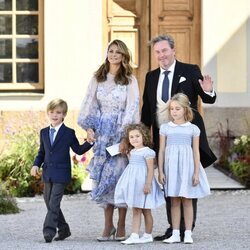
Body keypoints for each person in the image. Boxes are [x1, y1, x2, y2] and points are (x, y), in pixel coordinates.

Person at [141, 34, 217, 240]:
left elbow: (207, 98)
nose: (161, 55)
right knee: (168, 180)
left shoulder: (190, 70)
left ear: (173, 50)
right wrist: (144, 136)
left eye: (164, 50)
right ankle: (173, 228)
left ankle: (187, 228)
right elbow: (147, 110)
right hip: (163, 137)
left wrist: (209, 91)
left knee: (189, 179)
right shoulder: (151, 76)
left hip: (187, 137)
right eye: (157, 52)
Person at [77, 39, 140, 241]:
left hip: (120, 134)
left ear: (124, 56)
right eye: (111, 51)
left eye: (118, 52)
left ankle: (121, 225)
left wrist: (126, 139)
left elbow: (133, 108)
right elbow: (89, 104)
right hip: (103, 136)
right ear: (107, 54)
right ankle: (107, 225)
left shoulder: (130, 79)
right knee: (104, 178)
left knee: (119, 177)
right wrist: (89, 127)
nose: (113, 55)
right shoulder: (98, 78)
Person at [30, 98, 94, 243]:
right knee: (48, 201)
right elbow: (42, 152)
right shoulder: (44, 132)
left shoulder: (68, 132)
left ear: (63, 114)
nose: (54, 115)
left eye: (58, 112)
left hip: (61, 173)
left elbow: (78, 150)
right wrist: (36, 165)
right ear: (48, 113)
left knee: (54, 203)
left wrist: (89, 142)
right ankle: (64, 229)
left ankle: (49, 232)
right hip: (48, 173)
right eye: (52, 112)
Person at [158, 93, 211, 244]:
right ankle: (175, 233)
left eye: (177, 108)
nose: (174, 112)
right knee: (174, 200)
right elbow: (161, 150)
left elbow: (195, 151)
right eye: (172, 109)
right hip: (172, 168)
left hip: (187, 168)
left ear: (185, 109)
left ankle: (188, 233)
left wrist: (196, 173)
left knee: (187, 200)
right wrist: (161, 171)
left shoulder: (193, 129)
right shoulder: (165, 128)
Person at [114, 123, 165, 245]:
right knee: (136, 209)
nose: (134, 139)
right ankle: (135, 235)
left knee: (146, 210)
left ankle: (147, 235)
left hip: (143, 184)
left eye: (137, 136)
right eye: (131, 137)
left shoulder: (148, 152)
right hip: (134, 185)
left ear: (144, 137)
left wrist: (148, 184)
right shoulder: (131, 152)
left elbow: (150, 169)